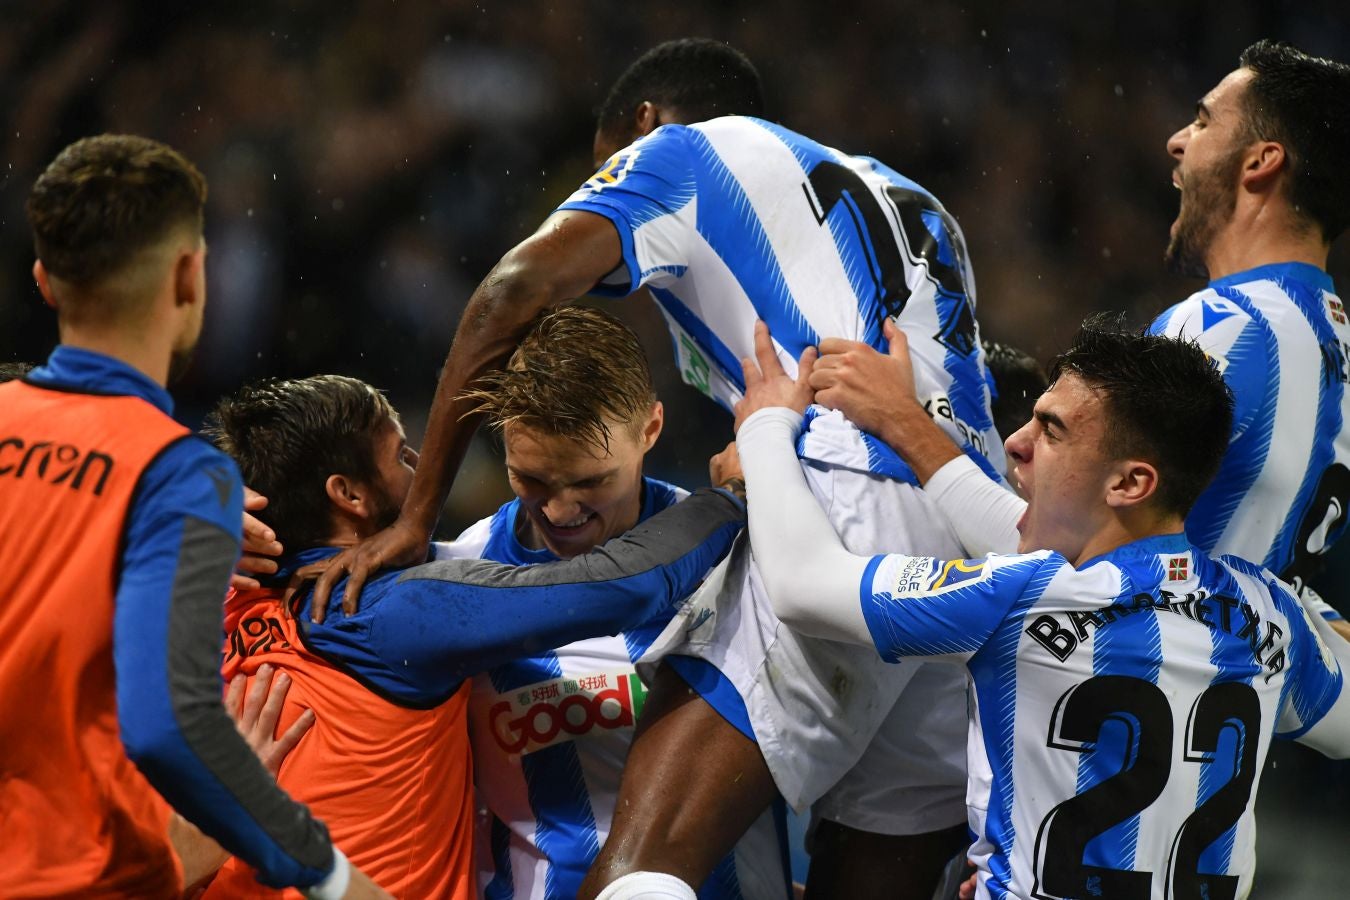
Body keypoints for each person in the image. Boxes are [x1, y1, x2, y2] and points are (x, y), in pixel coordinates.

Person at [310, 38, 1004, 900]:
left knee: (644, 869)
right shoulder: (910, 199)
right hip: (973, 538)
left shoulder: (680, 154)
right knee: (879, 862)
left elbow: (507, 293)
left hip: (846, 507)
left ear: (638, 126)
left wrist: (418, 516)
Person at [734, 317, 1350, 900]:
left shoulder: (1025, 595)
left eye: (1052, 431)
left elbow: (801, 584)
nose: (1015, 444)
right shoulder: (1271, 612)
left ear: (1131, 484)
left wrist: (764, 429)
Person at [807, 40, 1350, 642]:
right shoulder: (1334, 349)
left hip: (1109, 694)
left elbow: (1075, 566)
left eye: (1202, 121)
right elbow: (1256, 577)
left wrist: (901, 421)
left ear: (1260, 163)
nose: (1177, 140)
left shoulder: (1224, 327)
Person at [0, 134, 386, 899]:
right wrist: (330, 874)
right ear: (190, 275)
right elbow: (166, 727)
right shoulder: (180, 476)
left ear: (45, 282)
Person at [198, 372, 748, 898]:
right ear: (349, 495)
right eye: (402, 457)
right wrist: (732, 493)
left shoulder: (219, 597)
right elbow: (622, 588)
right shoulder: (389, 610)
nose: (423, 473)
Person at [438, 306, 788, 899]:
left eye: (590, 482)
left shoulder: (743, 555)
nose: (557, 511)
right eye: (533, 480)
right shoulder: (456, 578)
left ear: (651, 429)